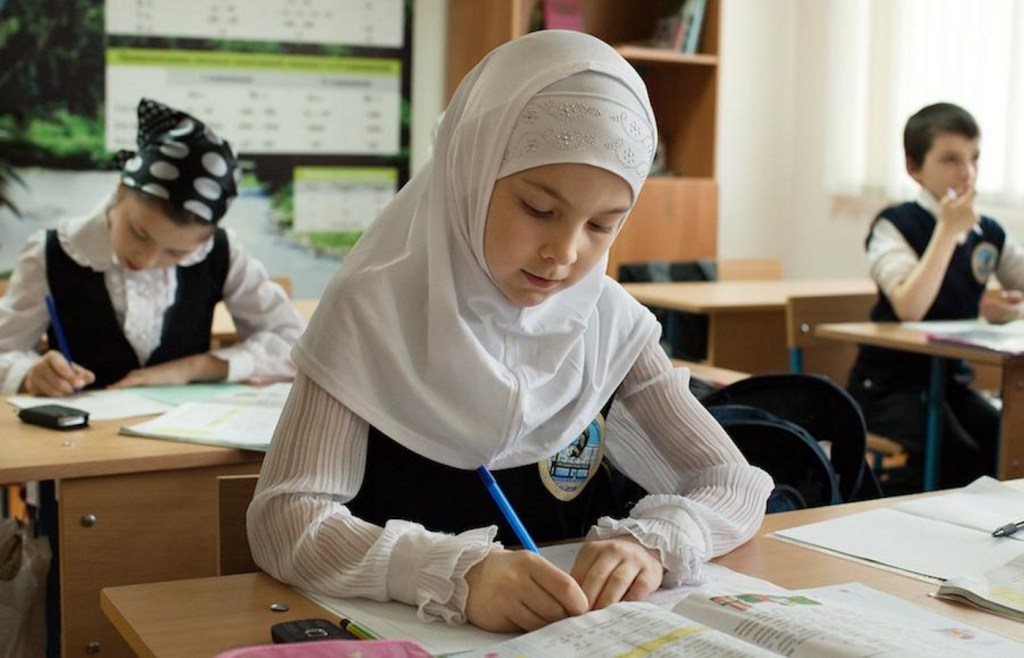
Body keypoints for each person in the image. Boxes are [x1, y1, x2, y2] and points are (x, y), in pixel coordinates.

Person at [247, 30, 772, 633]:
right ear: (468, 174)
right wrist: (453, 573)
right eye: (539, 210)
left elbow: (733, 481)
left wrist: (654, 541)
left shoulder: (606, 321)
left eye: (602, 225)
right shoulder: (374, 309)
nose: (565, 253)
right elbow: (286, 520)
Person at [0, 98, 306, 396]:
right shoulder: (52, 253)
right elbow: (4, 351)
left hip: (184, 427)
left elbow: (298, 345)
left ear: (205, 240)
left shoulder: (223, 253)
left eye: (176, 252)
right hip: (82, 428)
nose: (146, 259)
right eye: (140, 234)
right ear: (121, 191)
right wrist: (29, 374)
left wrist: (197, 367)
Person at [848, 102, 1024, 494]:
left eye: (973, 158)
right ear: (914, 167)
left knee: (1004, 439)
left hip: (951, 384)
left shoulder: (987, 231)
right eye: (950, 160)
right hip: (889, 386)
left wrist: (1013, 311)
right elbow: (910, 306)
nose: (966, 173)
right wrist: (946, 232)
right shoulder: (895, 225)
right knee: (955, 453)